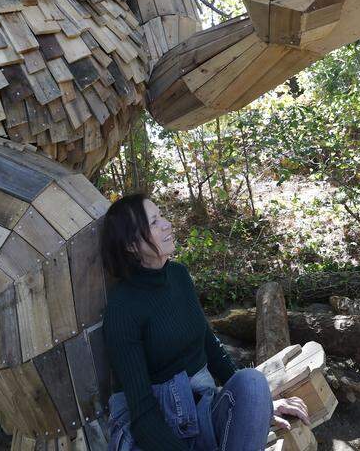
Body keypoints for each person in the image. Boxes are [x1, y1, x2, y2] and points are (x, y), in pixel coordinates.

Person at [101, 192, 309, 451]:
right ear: (131, 245)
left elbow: (209, 345)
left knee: (252, 382)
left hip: (201, 413)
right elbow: (142, 412)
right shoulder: (123, 308)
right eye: (154, 222)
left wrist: (259, 404)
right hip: (158, 431)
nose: (167, 224)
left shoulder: (178, 275)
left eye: (162, 216)